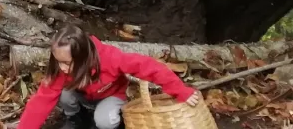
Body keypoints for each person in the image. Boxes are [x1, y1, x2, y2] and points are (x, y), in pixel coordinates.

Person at [16, 26, 202, 129]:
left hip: (110, 96)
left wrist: (180, 91)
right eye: (58, 62)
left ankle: (104, 122)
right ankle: (76, 119)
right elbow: (40, 101)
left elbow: (150, 67)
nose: (62, 68)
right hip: (82, 96)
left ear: (84, 58)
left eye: (67, 63)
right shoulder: (61, 69)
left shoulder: (111, 59)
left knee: (104, 121)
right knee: (63, 94)